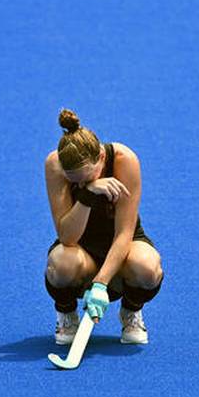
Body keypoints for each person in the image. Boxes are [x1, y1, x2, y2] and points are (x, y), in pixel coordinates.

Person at [44, 108, 164, 345]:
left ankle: (131, 311)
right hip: (80, 252)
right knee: (60, 264)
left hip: (123, 250)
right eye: (74, 181)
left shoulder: (124, 160)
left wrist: (100, 284)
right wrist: (88, 194)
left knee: (147, 267)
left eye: (87, 178)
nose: (81, 184)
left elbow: (124, 234)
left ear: (100, 157)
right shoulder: (55, 164)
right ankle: (67, 314)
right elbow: (68, 237)